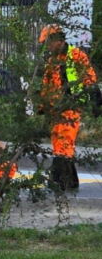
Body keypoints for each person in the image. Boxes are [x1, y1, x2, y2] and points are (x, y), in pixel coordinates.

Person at [39, 24, 97, 191]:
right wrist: (44, 108)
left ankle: (62, 180)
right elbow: (47, 85)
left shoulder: (76, 56)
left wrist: (95, 103)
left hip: (72, 106)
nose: (47, 46)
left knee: (64, 143)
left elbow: (89, 79)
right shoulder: (52, 61)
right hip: (57, 110)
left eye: (48, 42)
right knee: (59, 143)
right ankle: (67, 181)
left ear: (57, 40)